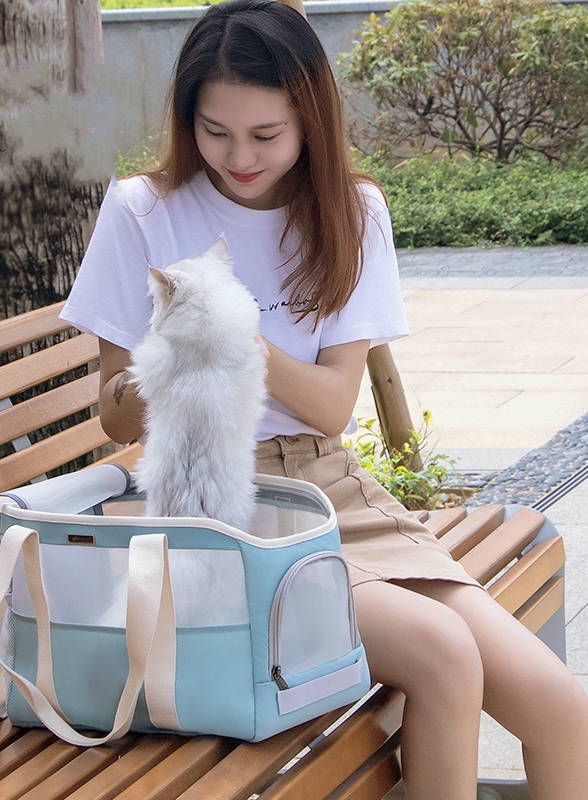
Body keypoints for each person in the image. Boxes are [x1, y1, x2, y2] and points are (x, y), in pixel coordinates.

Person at [60, 1, 588, 796]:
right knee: (444, 654)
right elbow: (113, 414)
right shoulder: (144, 210)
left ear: (310, 117)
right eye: (215, 131)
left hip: (331, 488)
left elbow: (333, 406)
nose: (239, 156)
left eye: (265, 134)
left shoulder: (352, 211)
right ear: (187, 118)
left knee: (561, 710)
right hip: (220, 507)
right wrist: (168, 368)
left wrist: (238, 340)